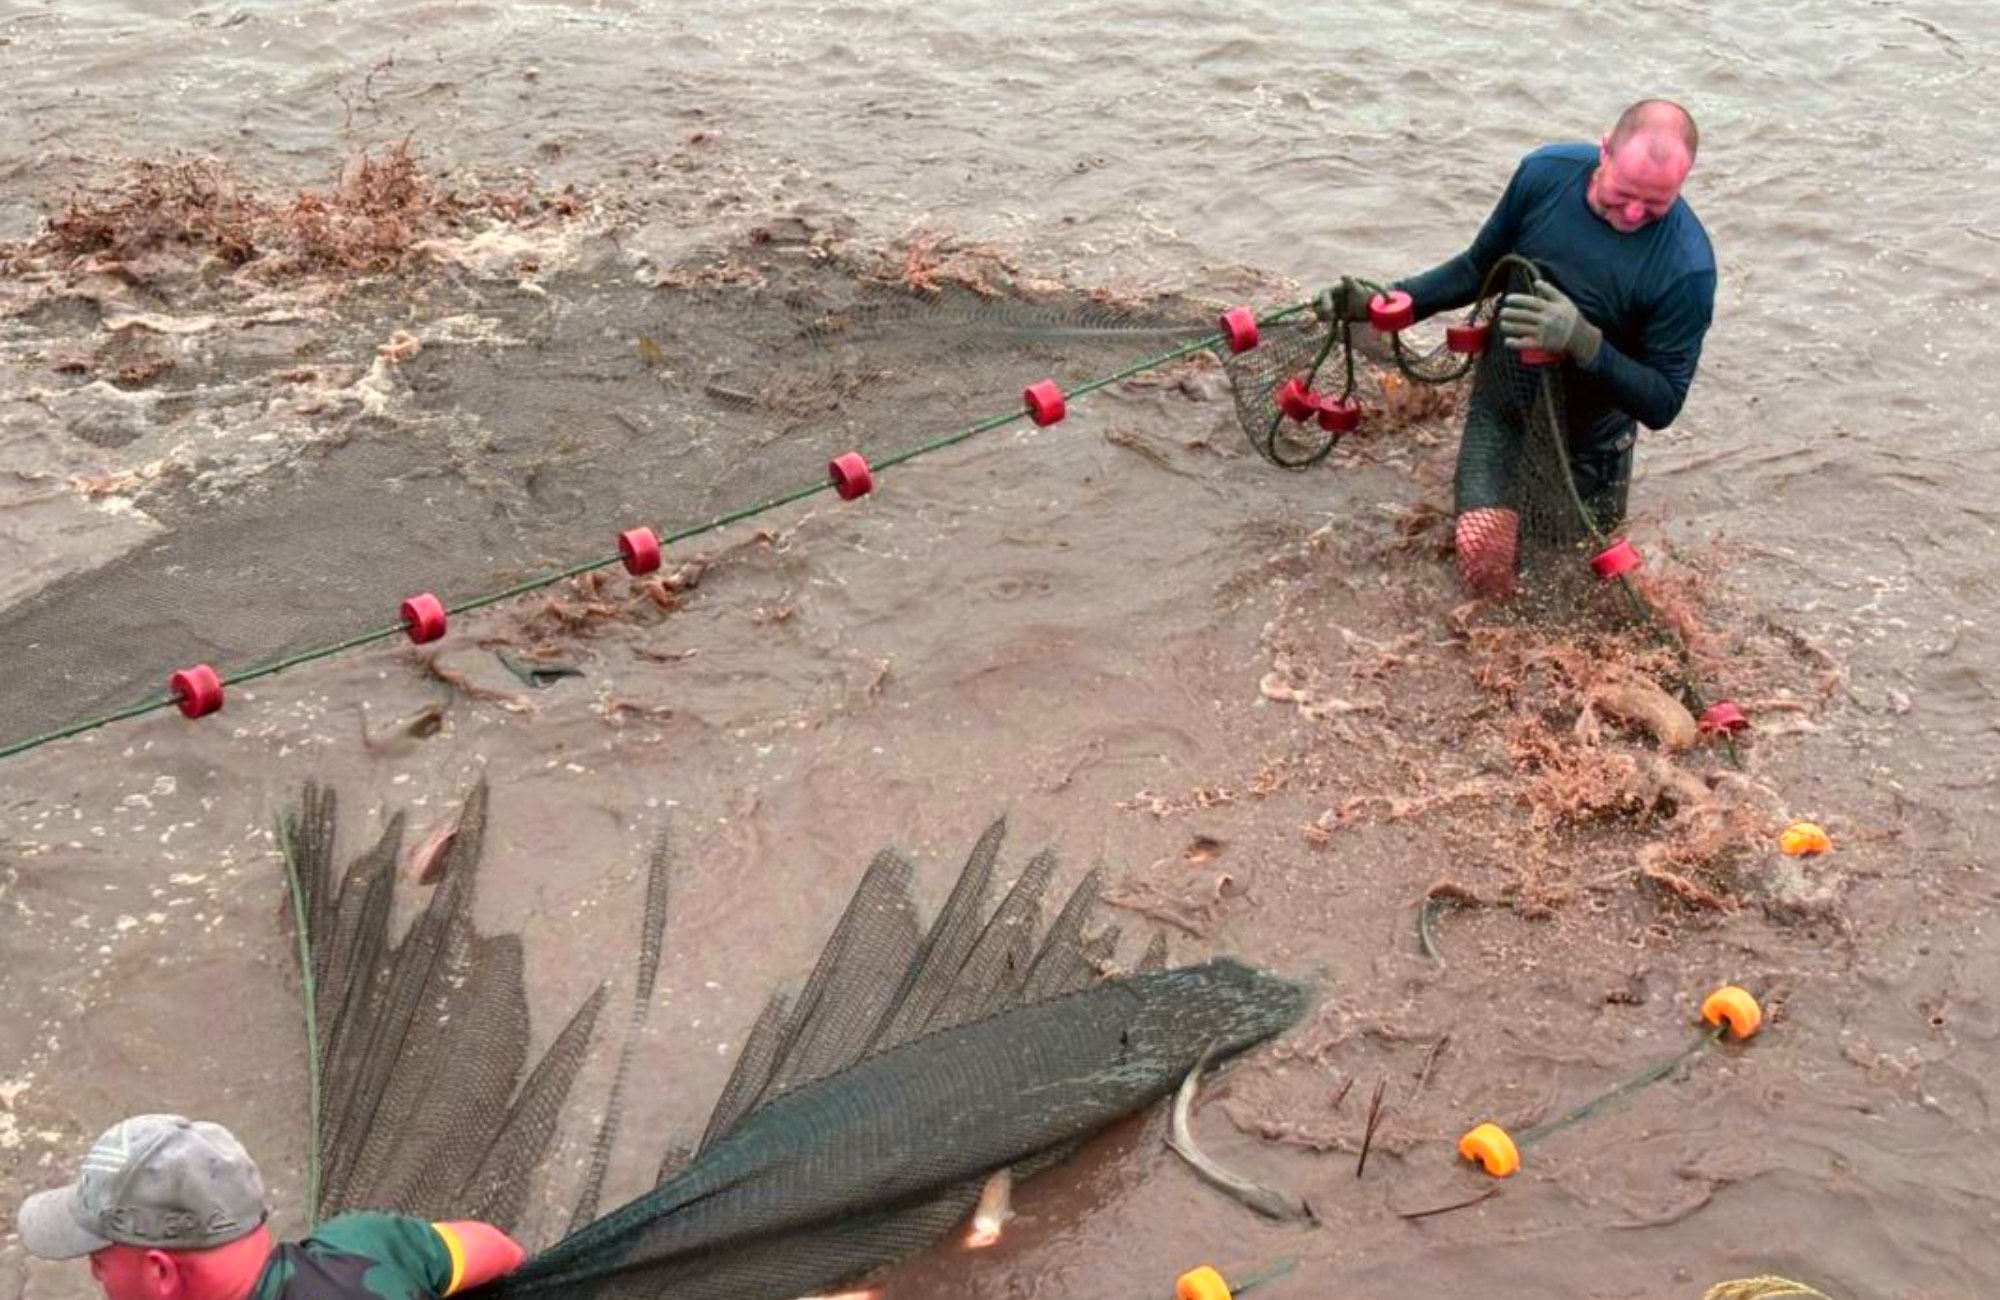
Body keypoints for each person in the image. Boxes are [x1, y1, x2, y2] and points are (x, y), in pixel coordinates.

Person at [1322, 99, 1716, 597]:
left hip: (1588, 451)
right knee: (1482, 558)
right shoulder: (1545, 176)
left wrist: (1585, 342)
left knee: (1569, 595)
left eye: (1656, 204)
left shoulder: (1686, 269)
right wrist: (1387, 301)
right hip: (1503, 410)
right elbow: (1478, 269)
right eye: (1622, 195)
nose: (1634, 214)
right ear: (1605, 152)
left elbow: (1663, 403)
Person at [16, 1114, 527, 1300]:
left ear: (162, 1271)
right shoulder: (365, 1245)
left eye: (100, 1258)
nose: (95, 1274)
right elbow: (499, 1250)